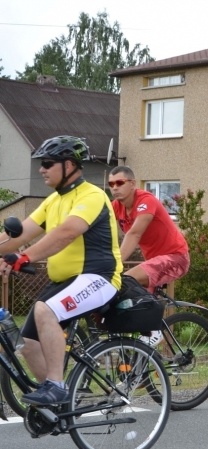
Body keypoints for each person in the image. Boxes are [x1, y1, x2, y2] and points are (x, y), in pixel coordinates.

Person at [0, 136, 122, 405]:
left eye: (47, 163)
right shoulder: (53, 200)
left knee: (46, 310)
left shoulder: (92, 195)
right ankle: (59, 404)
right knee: (27, 343)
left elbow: (67, 232)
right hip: (64, 282)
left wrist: (25, 257)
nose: (41, 169)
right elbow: (17, 236)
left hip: (98, 279)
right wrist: (12, 250)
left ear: (69, 165)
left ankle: (56, 385)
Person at [108, 165, 190, 293]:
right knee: (129, 298)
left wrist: (114, 263)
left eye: (119, 183)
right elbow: (97, 225)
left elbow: (134, 234)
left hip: (175, 258)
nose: (115, 187)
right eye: (111, 184)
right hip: (152, 261)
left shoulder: (146, 200)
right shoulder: (116, 206)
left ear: (132, 184)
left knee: (124, 282)